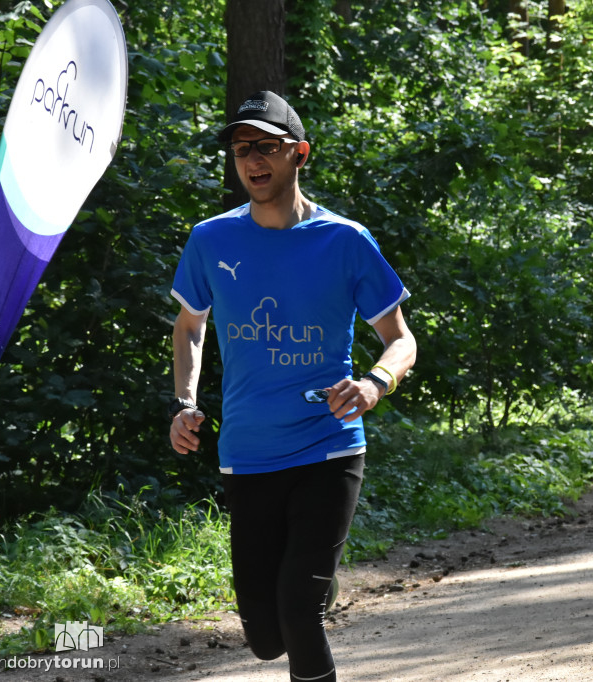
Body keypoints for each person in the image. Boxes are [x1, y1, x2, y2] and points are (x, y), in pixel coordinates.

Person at [168, 90, 417, 682]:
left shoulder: (346, 241)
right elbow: (189, 328)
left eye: (267, 147)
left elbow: (402, 339)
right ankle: (302, 590)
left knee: (297, 613)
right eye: (240, 148)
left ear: (299, 154)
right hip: (248, 453)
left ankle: (306, 591)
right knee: (262, 636)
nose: (252, 159)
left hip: (328, 447)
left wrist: (375, 383)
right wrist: (183, 404)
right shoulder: (211, 240)